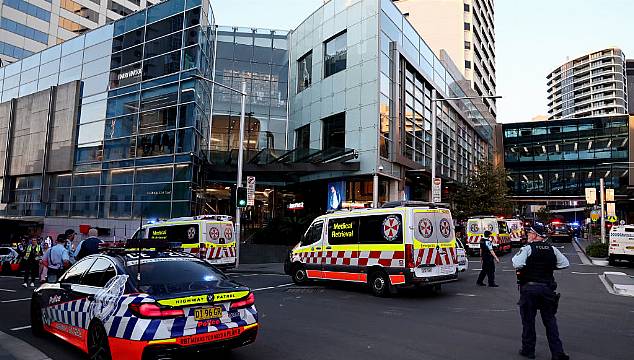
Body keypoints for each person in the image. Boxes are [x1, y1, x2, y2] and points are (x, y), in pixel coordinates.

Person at [512, 226, 570, 360]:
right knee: (550, 321)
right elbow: (565, 264)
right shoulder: (552, 249)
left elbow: (517, 263)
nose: (528, 234)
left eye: (529, 232)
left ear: (535, 235)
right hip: (547, 290)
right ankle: (558, 353)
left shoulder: (528, 248)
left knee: (528, 321)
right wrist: (549, 266)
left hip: (529, 290)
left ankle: (528, 351)